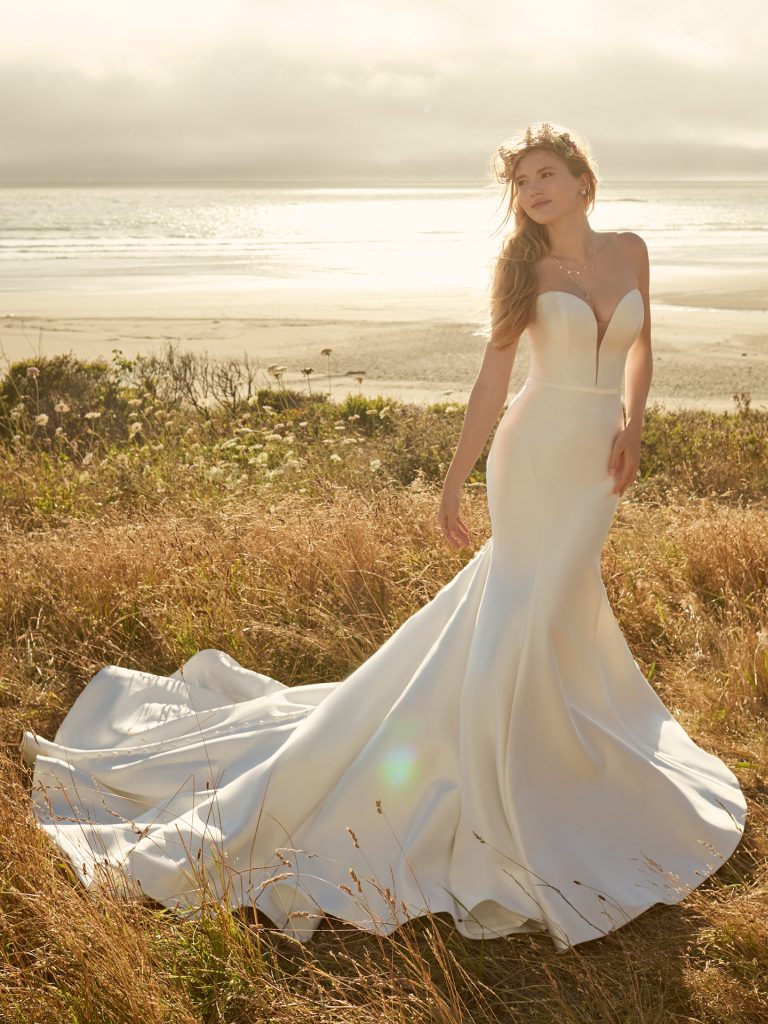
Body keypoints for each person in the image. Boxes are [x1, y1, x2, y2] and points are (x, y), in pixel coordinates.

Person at [20, 122, 747, 953]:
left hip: (595, 464)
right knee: (524, 606)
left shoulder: (632, 250)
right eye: (521, 182)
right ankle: (507, 782)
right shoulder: (522, 269)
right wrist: (453, 478)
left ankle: (568, 757)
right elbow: (492, 380)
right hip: (534, 453)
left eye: (547, 174)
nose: (534, 190)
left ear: (583, 179)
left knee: (565, 604)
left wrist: (637, 423)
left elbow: (643, 347)